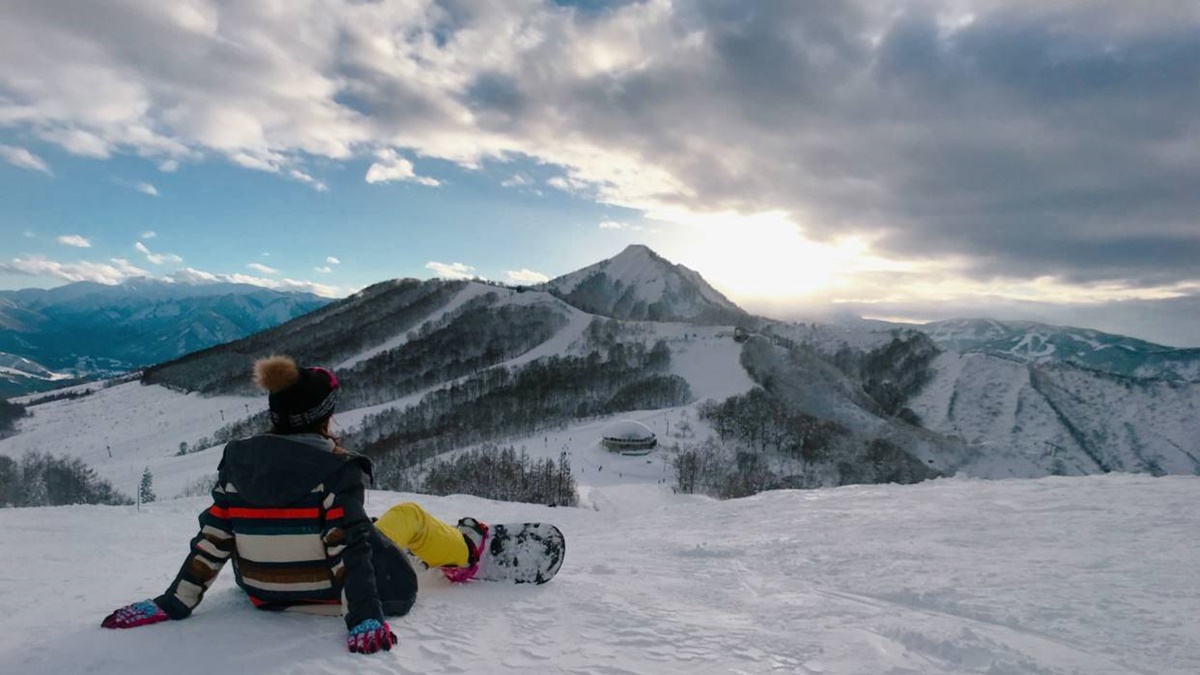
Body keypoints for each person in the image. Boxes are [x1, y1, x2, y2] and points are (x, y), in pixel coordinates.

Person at [101, 355, 490, 654]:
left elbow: (215, 537)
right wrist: (365, 617)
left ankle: (427, 549)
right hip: (332, 596)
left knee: (354, 522)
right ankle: (467, 548)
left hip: (263, 593)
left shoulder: (238, 459)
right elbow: (349, 547)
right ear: (325, 416)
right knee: (406, 516)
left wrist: (172, 602)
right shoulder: (337, 469)